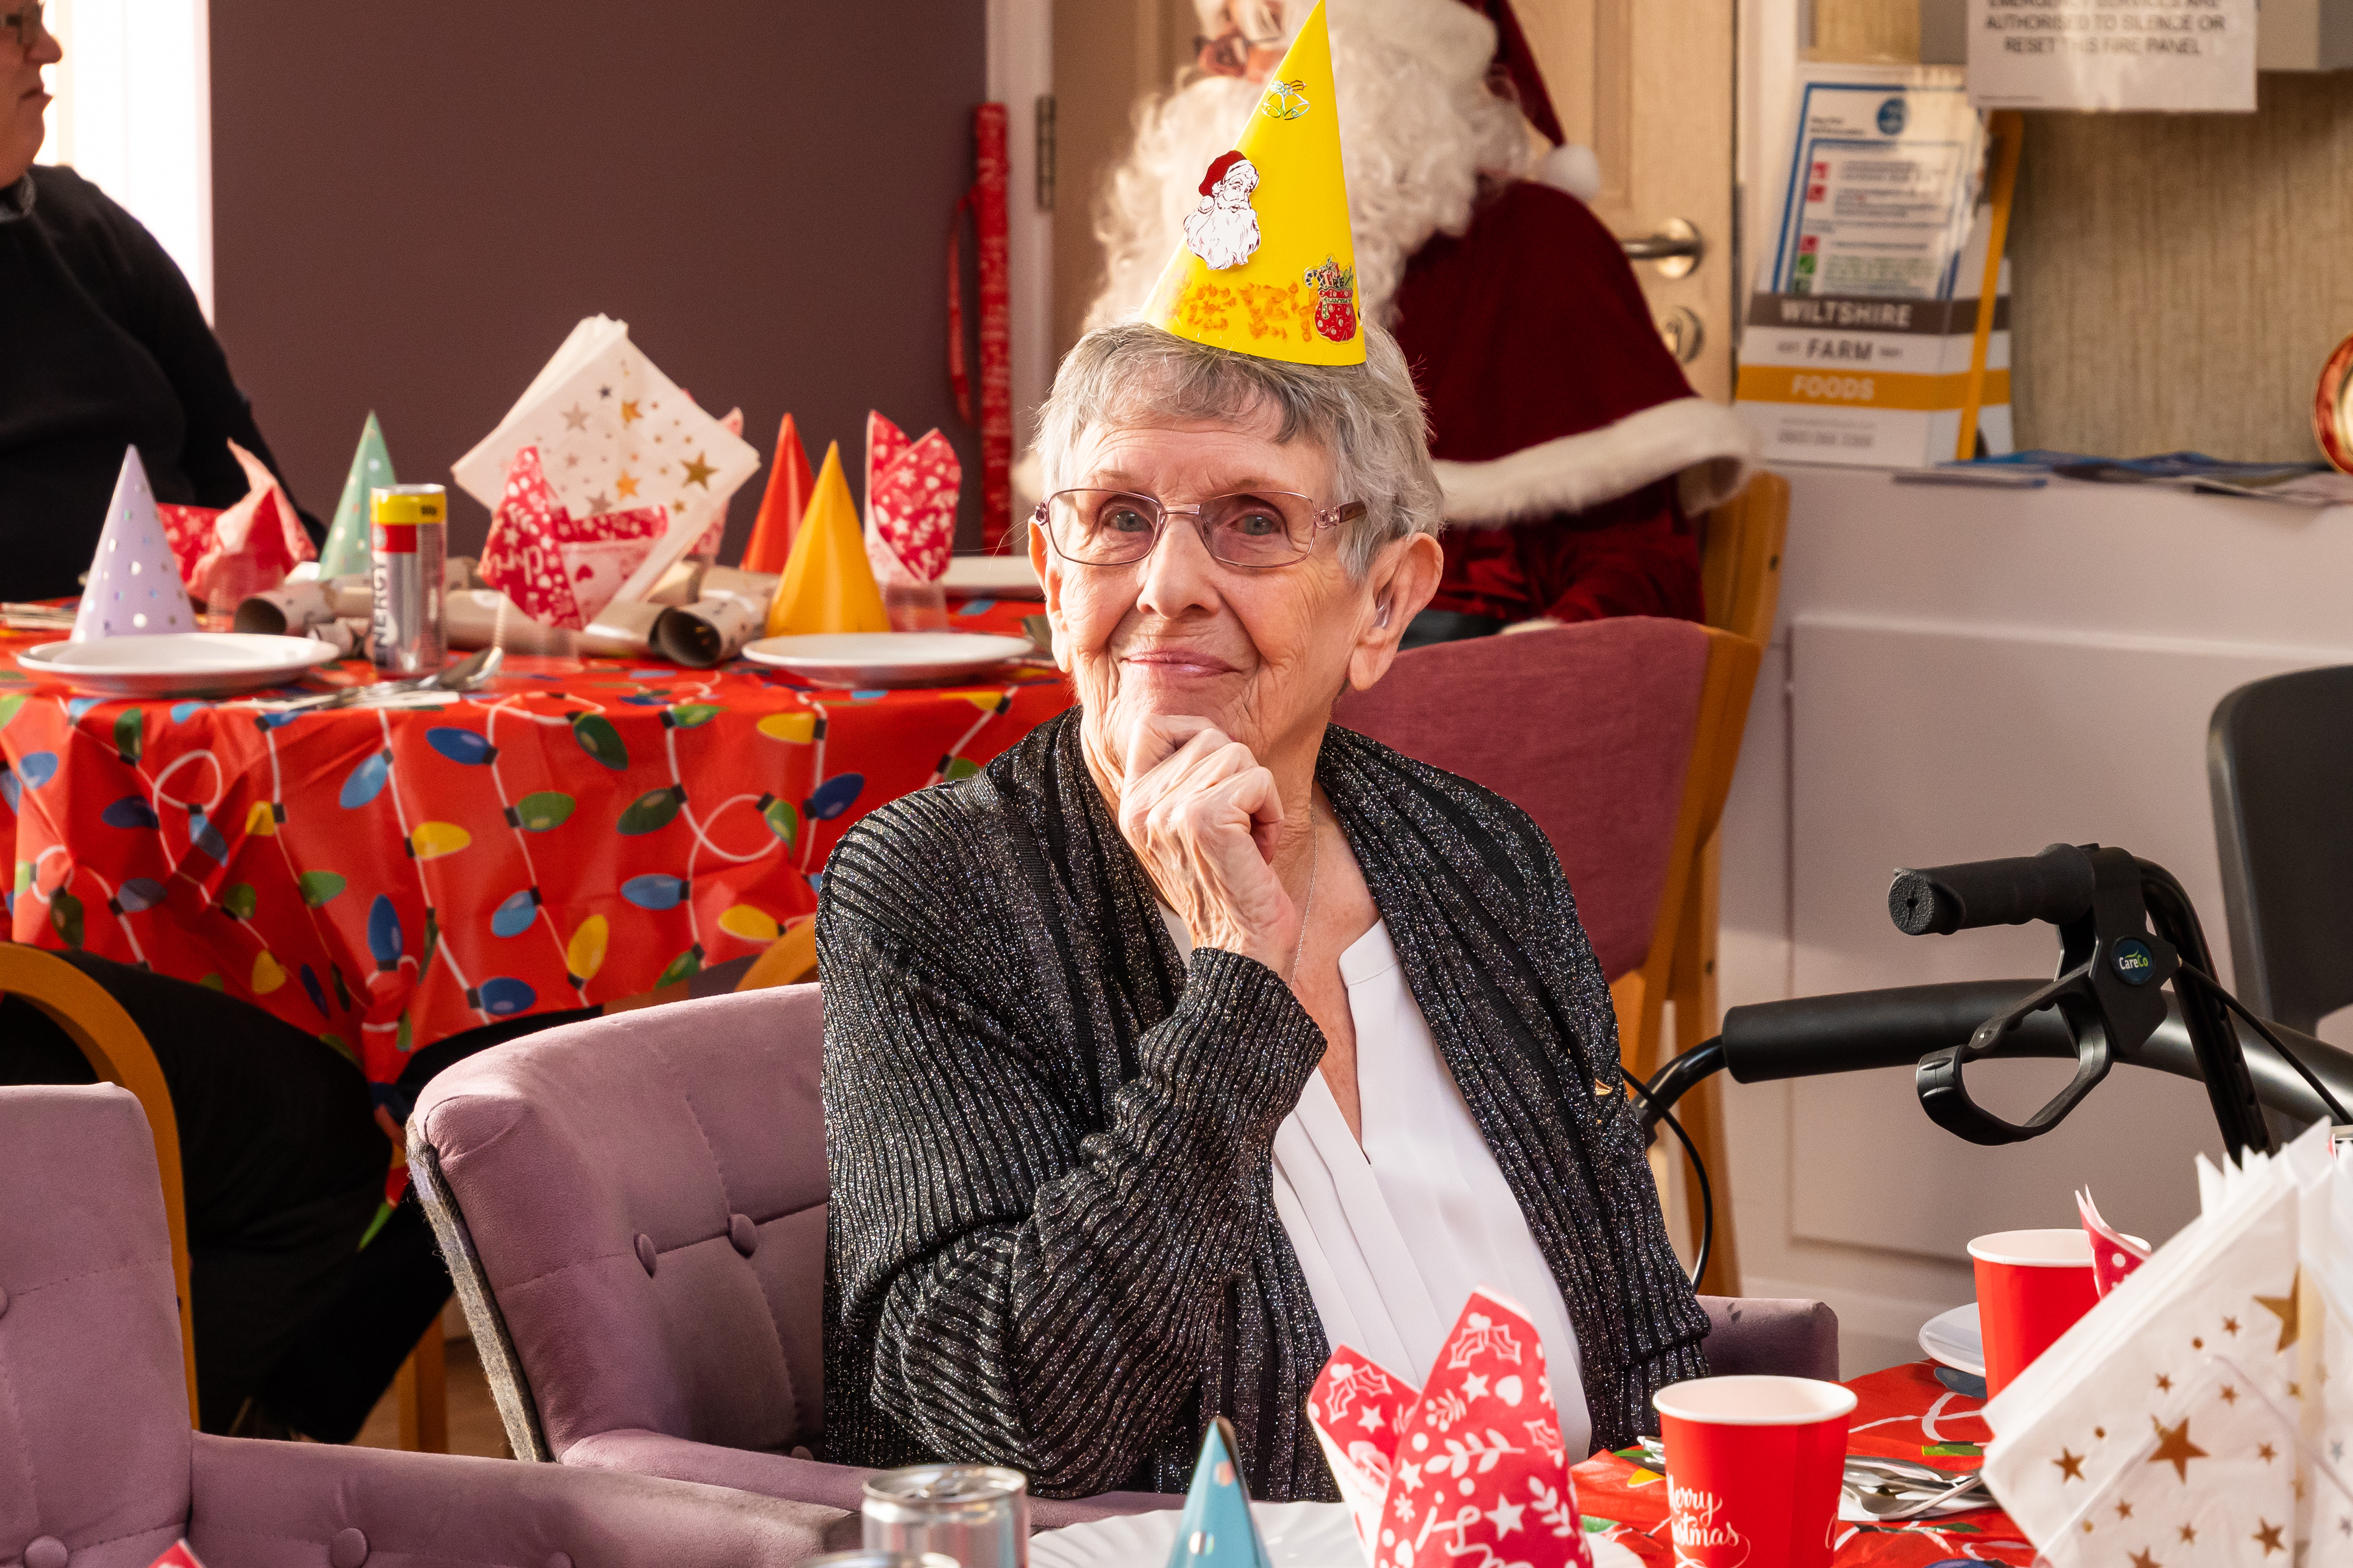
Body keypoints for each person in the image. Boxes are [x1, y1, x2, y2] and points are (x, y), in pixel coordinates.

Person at [821, 16, 1704, 1497]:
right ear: (1049, 580)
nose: (1163, 583)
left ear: (1384, 601)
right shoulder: (937, 887)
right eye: (1113, 518)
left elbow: (1643, 1329)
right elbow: (1004, 1422)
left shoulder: (1478, 855)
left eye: (1245, 519)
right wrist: (1234, 982)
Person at [1084, 0, 1754, 648]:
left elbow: (1635, 587)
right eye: (1216, 32)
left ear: (1379, 54)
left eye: (1258, 30)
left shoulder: (1542, 247)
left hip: (1435, 685)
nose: (1213, 62)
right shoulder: (1219, 255)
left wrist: (1460, 704)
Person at [0, 2, 313, 600]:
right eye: (17, 24)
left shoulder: (91, 228)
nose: (50, 49)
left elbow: (255, 506)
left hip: (200, 662)